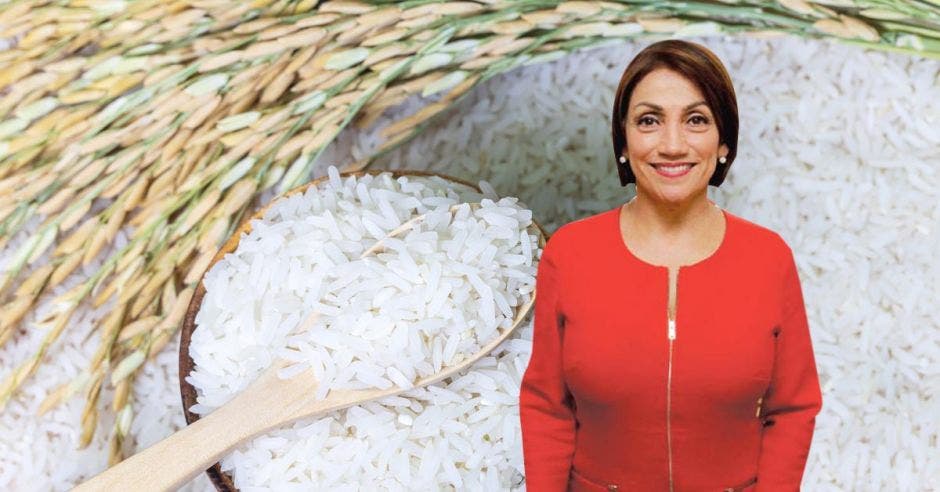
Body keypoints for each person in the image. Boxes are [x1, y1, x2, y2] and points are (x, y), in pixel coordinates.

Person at [519, 39, 823, 492]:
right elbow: (547, 405)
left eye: (696, 120)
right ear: (623, 140)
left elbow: (794, 408)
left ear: (724, 142)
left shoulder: (768, 258)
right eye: (649, 120)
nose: (673, 144)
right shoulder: (570, 254)